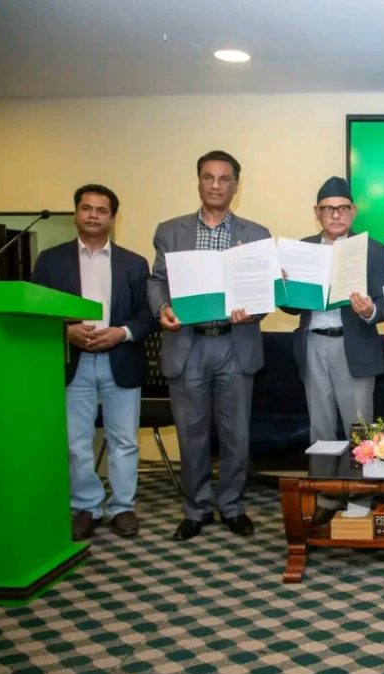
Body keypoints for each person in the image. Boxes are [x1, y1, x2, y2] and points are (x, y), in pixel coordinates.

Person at [148, 150, 271, 540]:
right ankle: (196, 508)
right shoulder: (171, 231)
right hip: (188, 344)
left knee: (236, 435)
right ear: (199, 181)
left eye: (224, 179)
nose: (216, 185)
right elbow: (157, 281)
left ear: (236, 185)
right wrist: (162, 308)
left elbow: (263, 289)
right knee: (191, 434)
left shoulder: (257, 234)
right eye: (209, 177)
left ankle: (232, 506)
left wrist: (253, 311)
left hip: (235, 343)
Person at [32, 184, 157, 540]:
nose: (93, 215)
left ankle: (122, 507)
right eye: (86, 208)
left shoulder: (134, 263)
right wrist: (65, 331)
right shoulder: (50, 261)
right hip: (74, 360)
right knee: (77, 442)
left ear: (113, 218)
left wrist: (121, 333)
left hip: (121, 358)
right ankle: (85, 507)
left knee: (124, 440)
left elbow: (146, 315)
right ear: (76, 213)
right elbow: (38, 311)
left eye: (101, 210)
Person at [283, 176, 384, 526]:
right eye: (328, 209)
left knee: (361, 427)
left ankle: (361, 495)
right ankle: (326, 494)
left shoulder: (372, 249)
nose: (336, 214)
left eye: (343, 208)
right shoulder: (302, 249)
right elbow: (290, 307)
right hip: (314, 343)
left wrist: (370, 310)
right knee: (321, 427)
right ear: (317, 212)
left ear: (353, 211)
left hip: (353, 346)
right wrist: (284, 287)